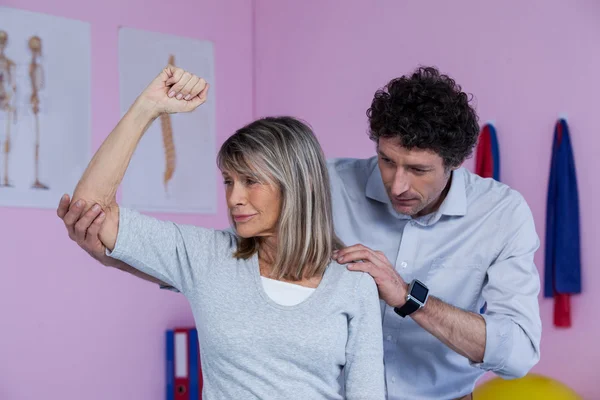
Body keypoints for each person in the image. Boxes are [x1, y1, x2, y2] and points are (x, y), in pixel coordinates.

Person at [59, 66, 542, 400]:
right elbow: (223, 264)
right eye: (387, 161)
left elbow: (517, 353)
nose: (396, 183)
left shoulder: (500, 214)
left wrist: (405, 297)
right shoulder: (316, 181)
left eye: (417, 169)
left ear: (455, 164)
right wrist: (115, 248)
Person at [58, 65, 386, 399]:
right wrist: (148, 108)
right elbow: (91, 206)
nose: (234, 198)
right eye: (228, 181)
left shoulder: (353, 282)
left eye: (250, 181)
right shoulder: (207, 256)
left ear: (298, 186)